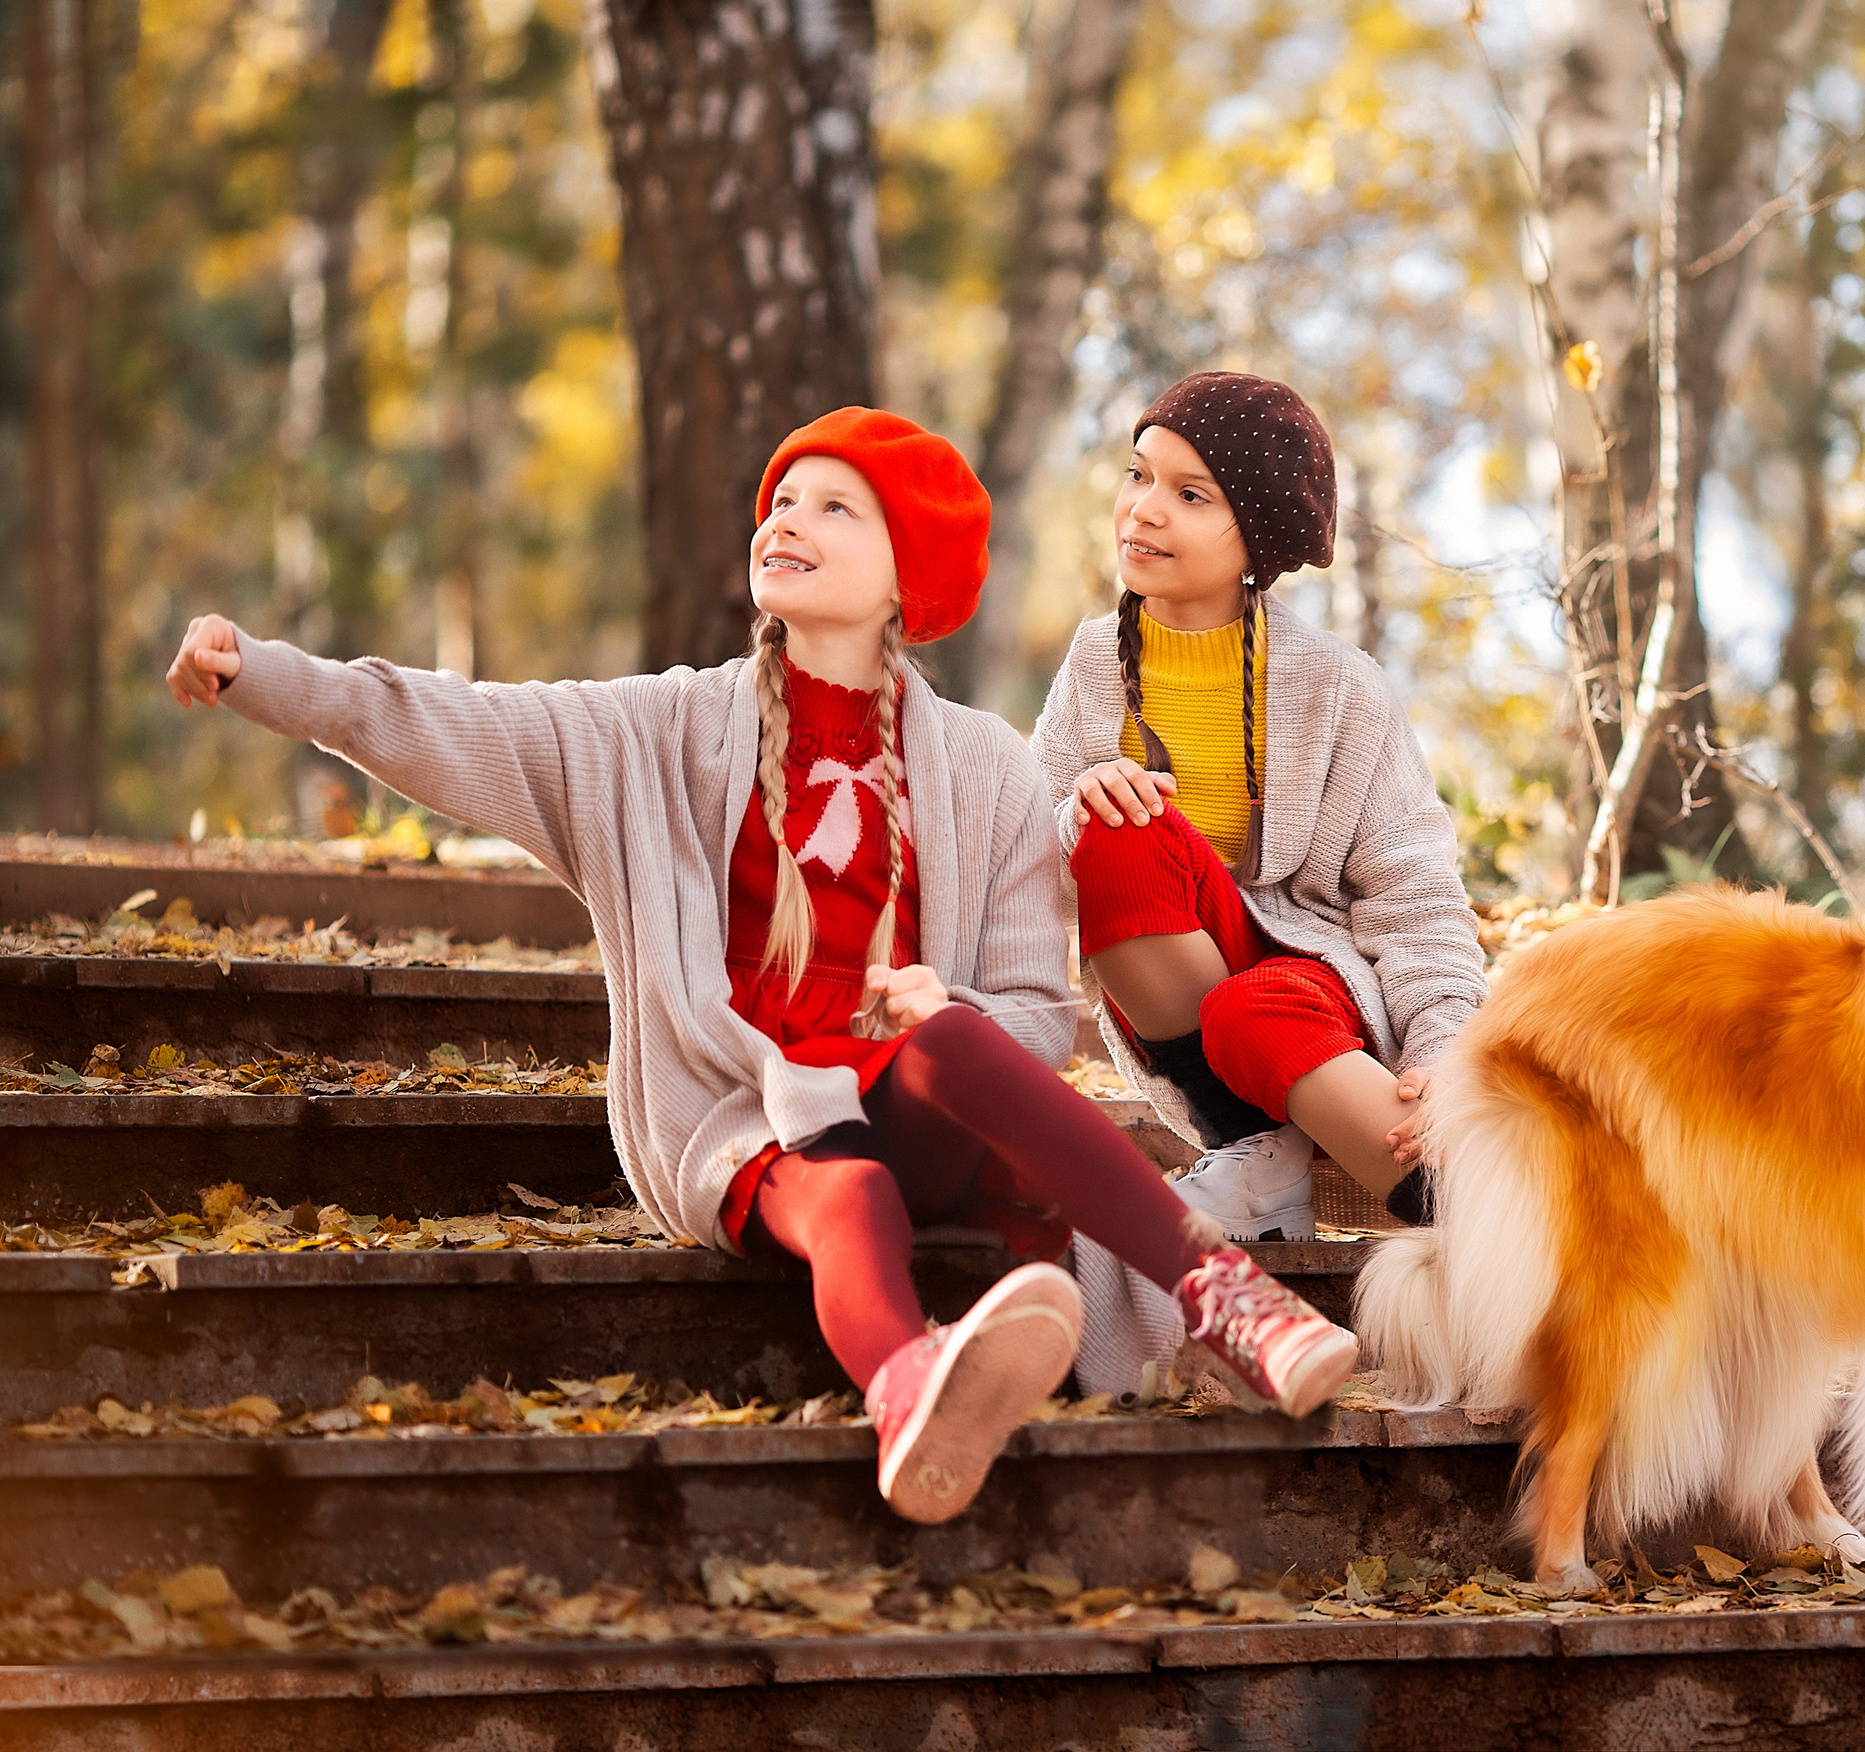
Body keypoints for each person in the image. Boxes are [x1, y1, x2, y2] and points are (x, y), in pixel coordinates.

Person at [165, 407, 1357, 1525]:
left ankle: (1224, 1301)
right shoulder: (654, 732)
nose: (786, 521)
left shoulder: (989, 767)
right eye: (781, 501)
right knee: (847, 1194)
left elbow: (1039, 1018)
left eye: (837, 508)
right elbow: (442, 717)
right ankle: (909, 1391)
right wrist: (262, 674)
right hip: (748, 1118)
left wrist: (948, 1005)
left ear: (910, 576)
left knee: (947, 1041)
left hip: (932, 1103)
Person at [1031, 372, 1488, 1244]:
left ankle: (1475, 1212)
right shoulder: (1094, 666)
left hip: (1313, 993)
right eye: (1138, 475)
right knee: (1114, 827)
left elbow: (1416, 898)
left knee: (1255, 1008)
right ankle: (1258, 1146)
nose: (1144, 511)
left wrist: (1443, 1050)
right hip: (1176, 999)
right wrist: (1072, 814)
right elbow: (1022, 868)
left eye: (1190, 494)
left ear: (1258, 540)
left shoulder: (1339, 687)